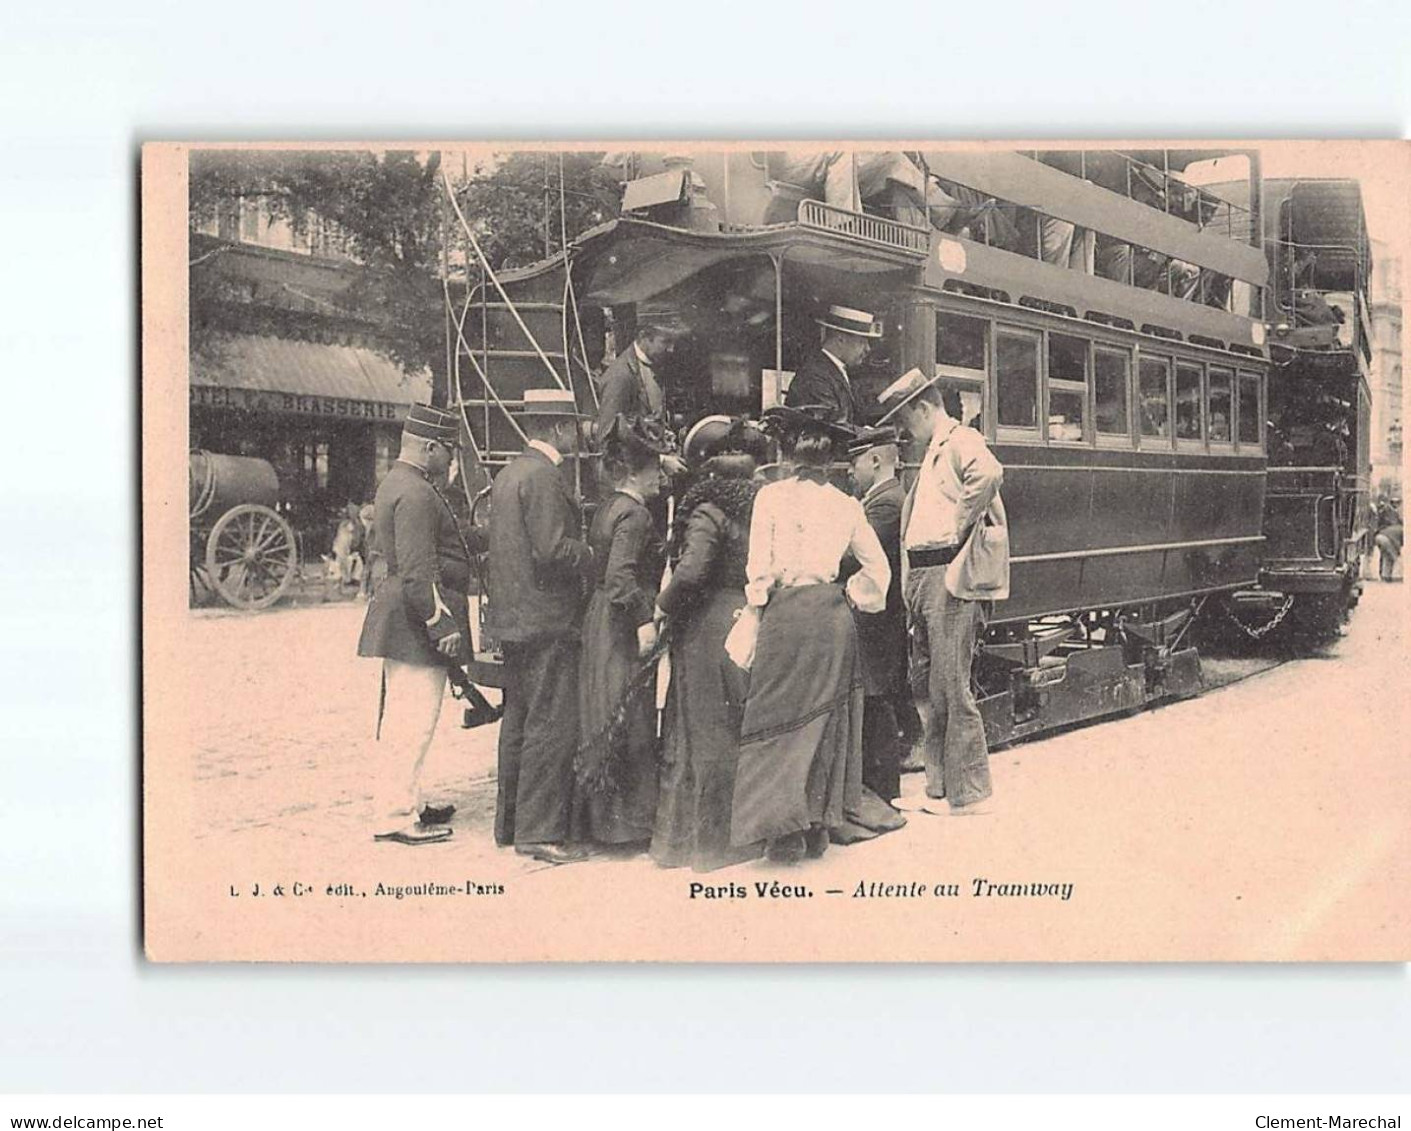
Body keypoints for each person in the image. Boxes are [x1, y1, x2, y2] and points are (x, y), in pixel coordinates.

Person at [730, 405, 892, 864]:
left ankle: (782, 833)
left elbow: (758, 571)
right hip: (829, 617)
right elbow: (878, 570)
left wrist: (759, 604)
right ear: (832, 455)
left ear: (789, 451)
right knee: (826, 722)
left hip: (786, 616)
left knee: (774, 722)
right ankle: (818, 823)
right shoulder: (847, 505)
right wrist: (850, 595)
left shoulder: (770, 498)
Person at [878, 368, 1009, 816]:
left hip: (948, 577)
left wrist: (959, 529)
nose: (902, 431)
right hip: (927, 578)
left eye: (905, 420)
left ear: (924, 408)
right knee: (931, 684)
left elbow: (989, 475)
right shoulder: (937, 447)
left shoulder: (960, 441)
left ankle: (968, 793)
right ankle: (938, 788)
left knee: (952, 685)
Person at [651, 416, 769, 872]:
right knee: (736, 726)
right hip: (747, 618)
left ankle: (702, 846)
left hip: (707, 626)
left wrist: (663, 606)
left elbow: (693, 571)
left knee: (701, 731)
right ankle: (743, 836)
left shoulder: (707, 508)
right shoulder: (759, 504)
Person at [487, 388, 596, 865]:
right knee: (551, 724)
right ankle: (539, 832)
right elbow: (553, 550)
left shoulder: (510, 474)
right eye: (573, 425)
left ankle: (510, 823)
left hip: (512, 620)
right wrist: (592, 554)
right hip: (548, 619)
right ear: (558, 428)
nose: (577, 434)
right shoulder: (546, 478)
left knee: (518, 721)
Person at [356, 404, 472, 846]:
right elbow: (418, 574)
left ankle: (408, 800)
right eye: (448, 449)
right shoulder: (418, 493)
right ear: (429, 447)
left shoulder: (398, 483)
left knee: (403, 717)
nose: (451, 459)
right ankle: (394, 815)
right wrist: (441, 624)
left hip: (402, 618)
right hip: (414, 621)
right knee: (413, 722)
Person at [573, 415, 672, 850]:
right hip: (620, 625)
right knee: (626, 716)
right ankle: (626, 828)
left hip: (600, 620)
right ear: (635, 471)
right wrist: (644, 622)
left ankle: (602, 825)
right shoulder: (634, 515)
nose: (660, 477)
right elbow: (620, 579)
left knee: (603, 711)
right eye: (655, 470)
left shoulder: (609, 506)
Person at [846, 425, 910, 803]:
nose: (851, 471)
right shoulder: (882, 498)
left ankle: (884, 788)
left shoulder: (885, 504)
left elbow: (852, 553)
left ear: (874, 460)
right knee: (876, 694)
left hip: (879, 619)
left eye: (855, 461)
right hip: (881, 616)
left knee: (877, 694)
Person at [593, 323, 687, 474]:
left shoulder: (653, 365)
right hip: (629, 478)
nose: (671, 349)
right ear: (644, 337)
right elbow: (608, 439)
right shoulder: (621, 376)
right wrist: (660, 461)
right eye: (665, 342)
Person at [783, 305, 882, 426]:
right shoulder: (815, 376)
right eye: (862, 342)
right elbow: (833, 427)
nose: (868, 349)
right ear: (841, 340)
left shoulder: (835, 371)